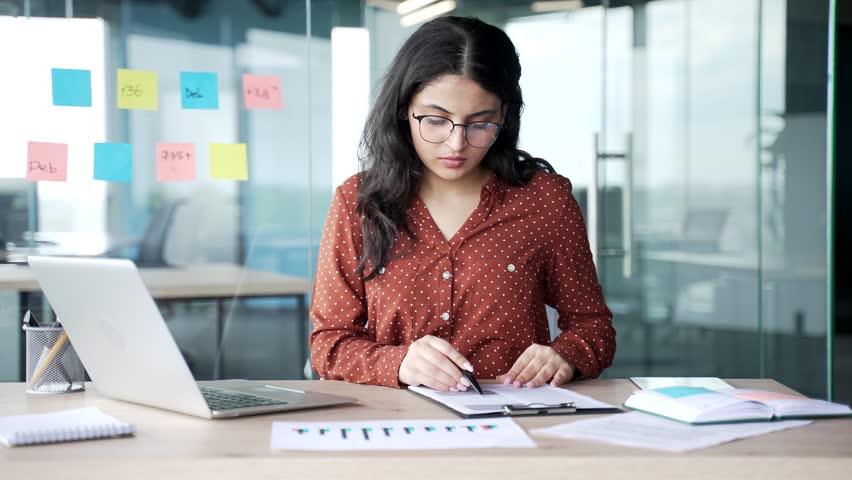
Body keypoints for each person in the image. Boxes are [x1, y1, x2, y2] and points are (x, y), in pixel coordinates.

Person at [310, 16, 615, 392]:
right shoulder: (357, 202)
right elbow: (328, 344)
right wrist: (399, 363)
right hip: (395, 423)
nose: (456, 144)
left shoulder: (544, 201)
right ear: (405, 109)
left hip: (514, 423)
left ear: (504, 115)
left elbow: (593, 328)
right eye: (436, 121)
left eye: (479, 123)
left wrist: (566, 354)